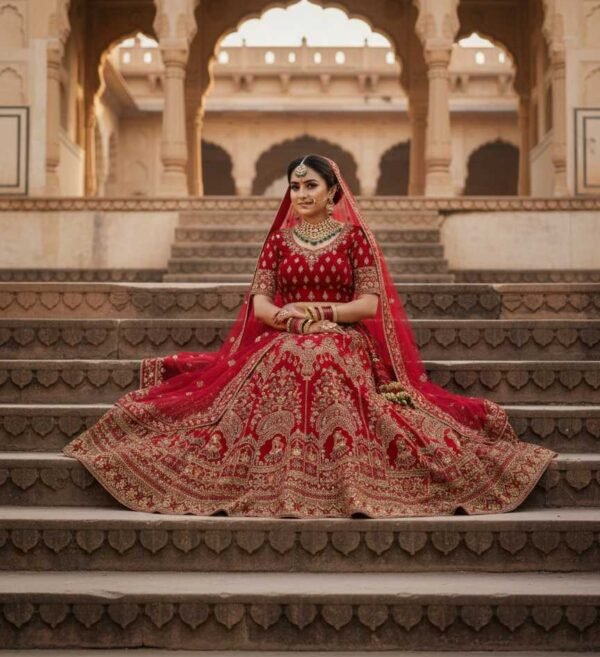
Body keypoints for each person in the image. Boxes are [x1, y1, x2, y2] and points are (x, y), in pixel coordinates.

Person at [64, 155, 554, 517]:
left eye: (310, 185)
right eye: (294, 186)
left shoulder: (355, 239)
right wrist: (296, 321)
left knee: (323, 356)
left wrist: (323, 314)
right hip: (285, 334)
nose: (300, 194)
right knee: (290, 357)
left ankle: (338, 472)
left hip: (345, 336)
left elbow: (368, 306)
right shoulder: (277, 241)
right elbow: (260, 306)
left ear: (332, 192)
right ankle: (277, 470)